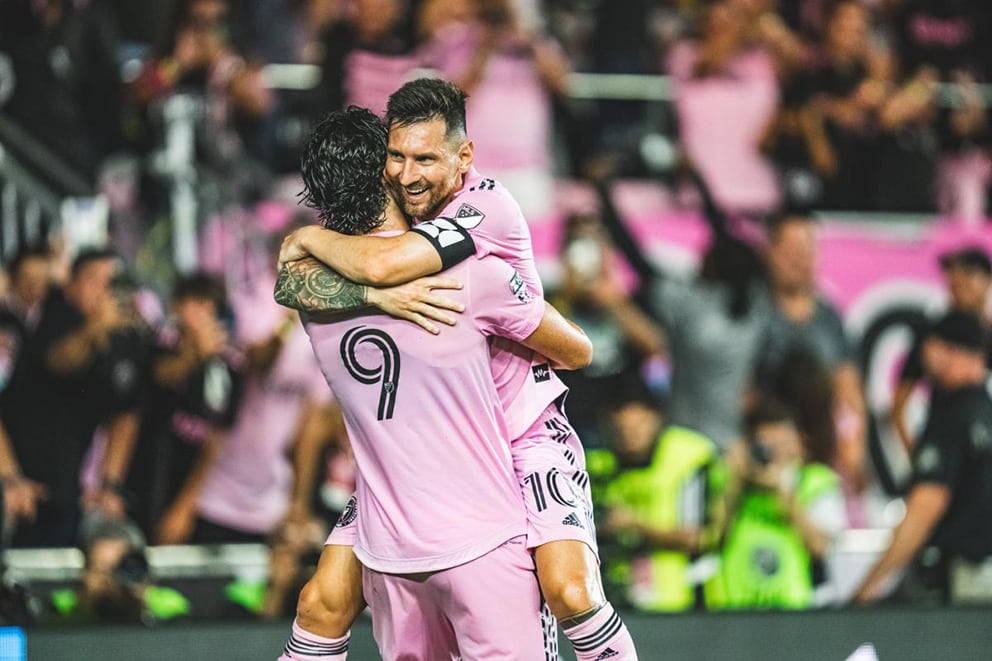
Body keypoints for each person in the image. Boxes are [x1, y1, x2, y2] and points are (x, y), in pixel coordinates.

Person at [277, 79, 637, 660]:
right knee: (322, 600)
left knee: (569, 590)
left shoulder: (482, 214)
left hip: (521, 435)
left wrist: (307, 238)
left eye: (425, 159)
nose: (408, 174)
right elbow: (296, 282)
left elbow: (578, 351)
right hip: (428, 459)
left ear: (463, 157)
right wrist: (371, 293)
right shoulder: (352, 272)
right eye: (397, 157)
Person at [0, 248, 143, 547]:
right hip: (15, 481)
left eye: (110, 282)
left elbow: (126, 411)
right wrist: (9, 477)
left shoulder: (125, 336)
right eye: (93, 280)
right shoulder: (51, 316)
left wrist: (110, 484)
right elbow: (60, 360)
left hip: (66, 493)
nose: (103, 291)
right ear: (70, 286)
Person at [853, 311, 992, 604]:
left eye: (929, 348)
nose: (924, 359)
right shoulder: (984, 411)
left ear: (946, 349)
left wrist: (865, 590)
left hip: (964, 576)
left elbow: (925, 508)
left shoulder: (952, 413)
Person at [756, 213, 868, 523]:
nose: (801, 259)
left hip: (818, 458)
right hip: (765, 455)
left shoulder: (829, 318)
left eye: (808, 248)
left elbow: (848, 390)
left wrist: (854, 451)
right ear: (768, 251)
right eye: (791, 249)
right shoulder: (752, 312)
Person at [597, 374, 723, 612]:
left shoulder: (689, 458)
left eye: (638, 428)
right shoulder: (600, 463)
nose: (630, 438)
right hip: (620, 600)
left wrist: (635, 525)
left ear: (656, 419)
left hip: (687, 602)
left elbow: (704, 537)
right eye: (622, 431)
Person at [709, 399, 845, 610]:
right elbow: (710, 539)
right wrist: (735, 481)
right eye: (766, 447)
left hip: (798, 609)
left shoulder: (816, 482)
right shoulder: (731, 481)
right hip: (734, 608)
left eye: (782, 444)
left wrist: (782, 491)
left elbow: (819, 548)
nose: (775, 455)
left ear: (800, 443)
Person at [891, 246, 992, 453]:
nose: (957, 280)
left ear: (987, 280)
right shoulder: (933, 337)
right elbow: (899, 403)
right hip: (944, 446)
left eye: (968, 272)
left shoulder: (986, 334)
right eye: (953, 274)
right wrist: (918, 455)